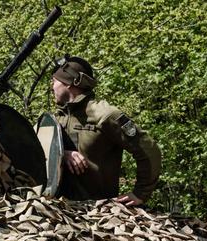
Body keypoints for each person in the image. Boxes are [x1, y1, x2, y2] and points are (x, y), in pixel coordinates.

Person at [51, 56, 161, 206]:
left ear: (69, 83)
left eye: (55, 81)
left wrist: (140, 193)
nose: (52, 86)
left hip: (97, 214)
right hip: (59, 210)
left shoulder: (105, 115)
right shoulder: (57, 118)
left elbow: (149, 150)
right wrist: (62, 154)